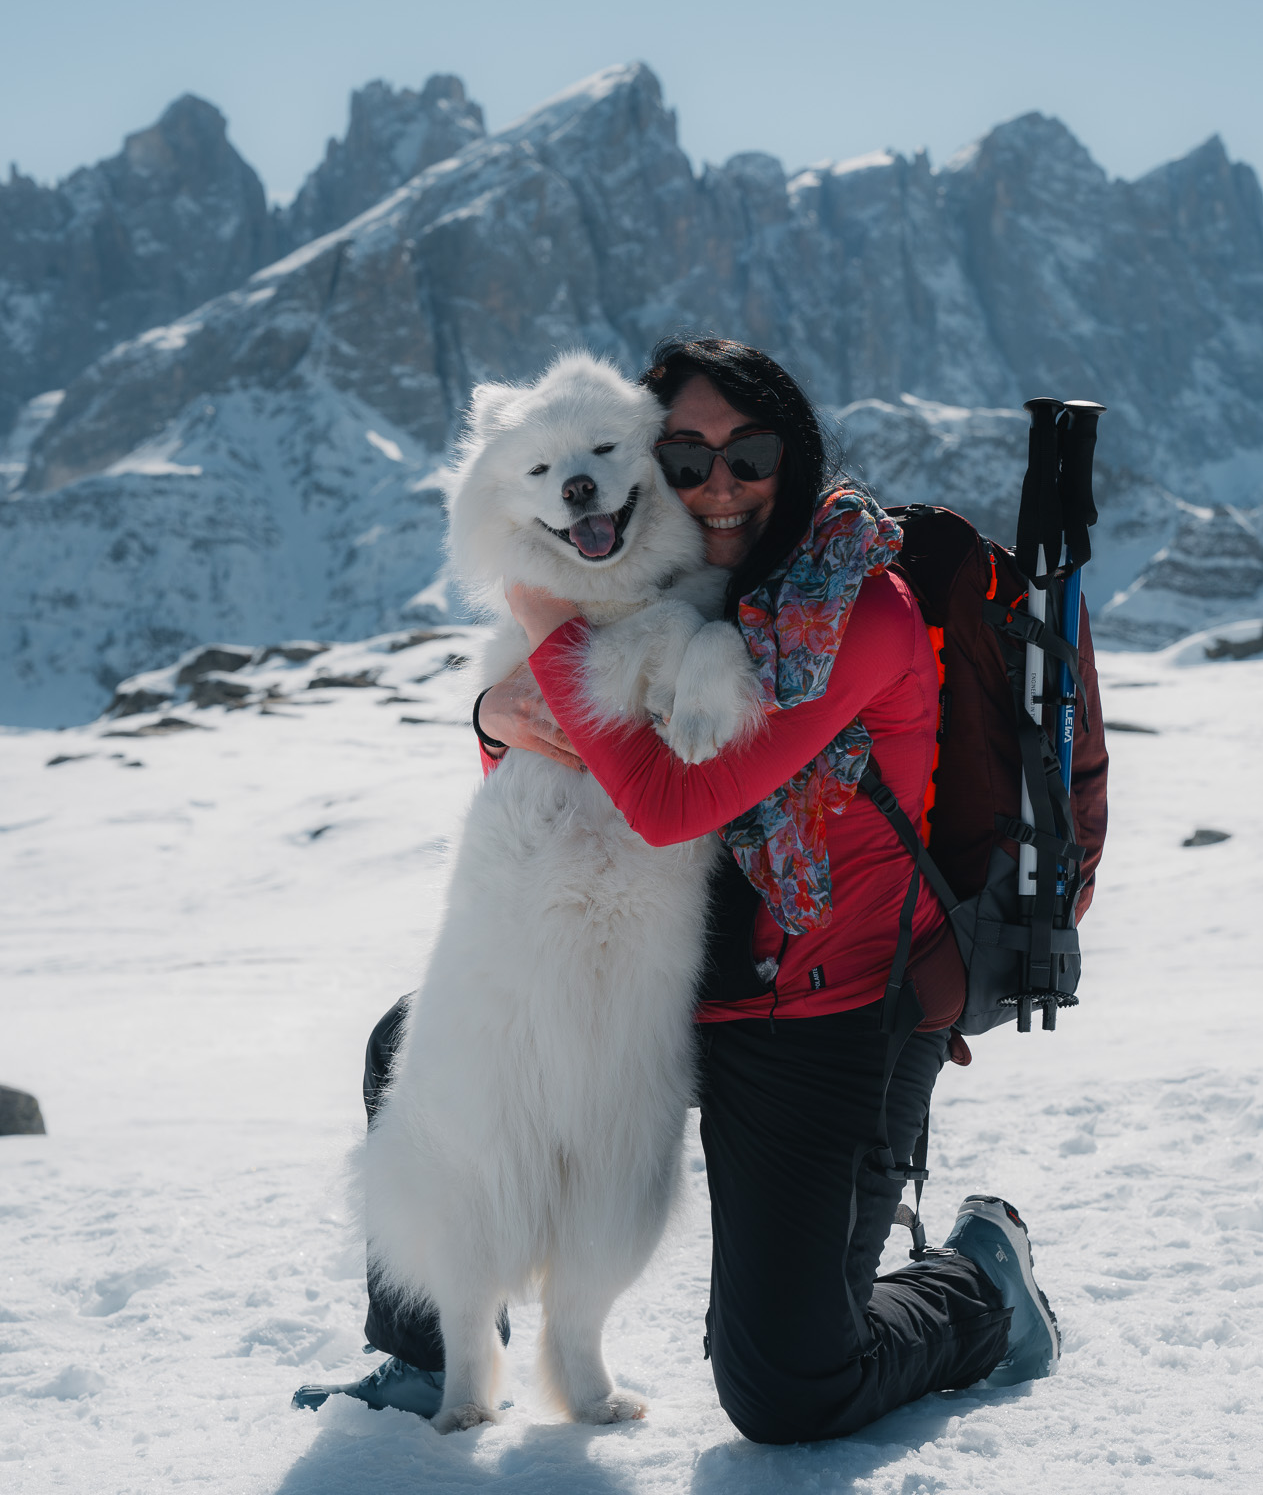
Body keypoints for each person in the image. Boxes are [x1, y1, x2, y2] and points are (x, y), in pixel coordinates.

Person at [299, 338, 1071, 1439]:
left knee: (790, 1386)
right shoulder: (664, 592)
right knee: (408, 1042)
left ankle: (982, 1285)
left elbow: (667, 804)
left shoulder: (852, 612)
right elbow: (552, 793)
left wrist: (547, 632)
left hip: (822, 1010)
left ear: (793, 461)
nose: (717, 485)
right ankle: (439, 1352)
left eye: (748, 456)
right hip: (676, 982)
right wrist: (495, 716)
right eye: (685, 456)